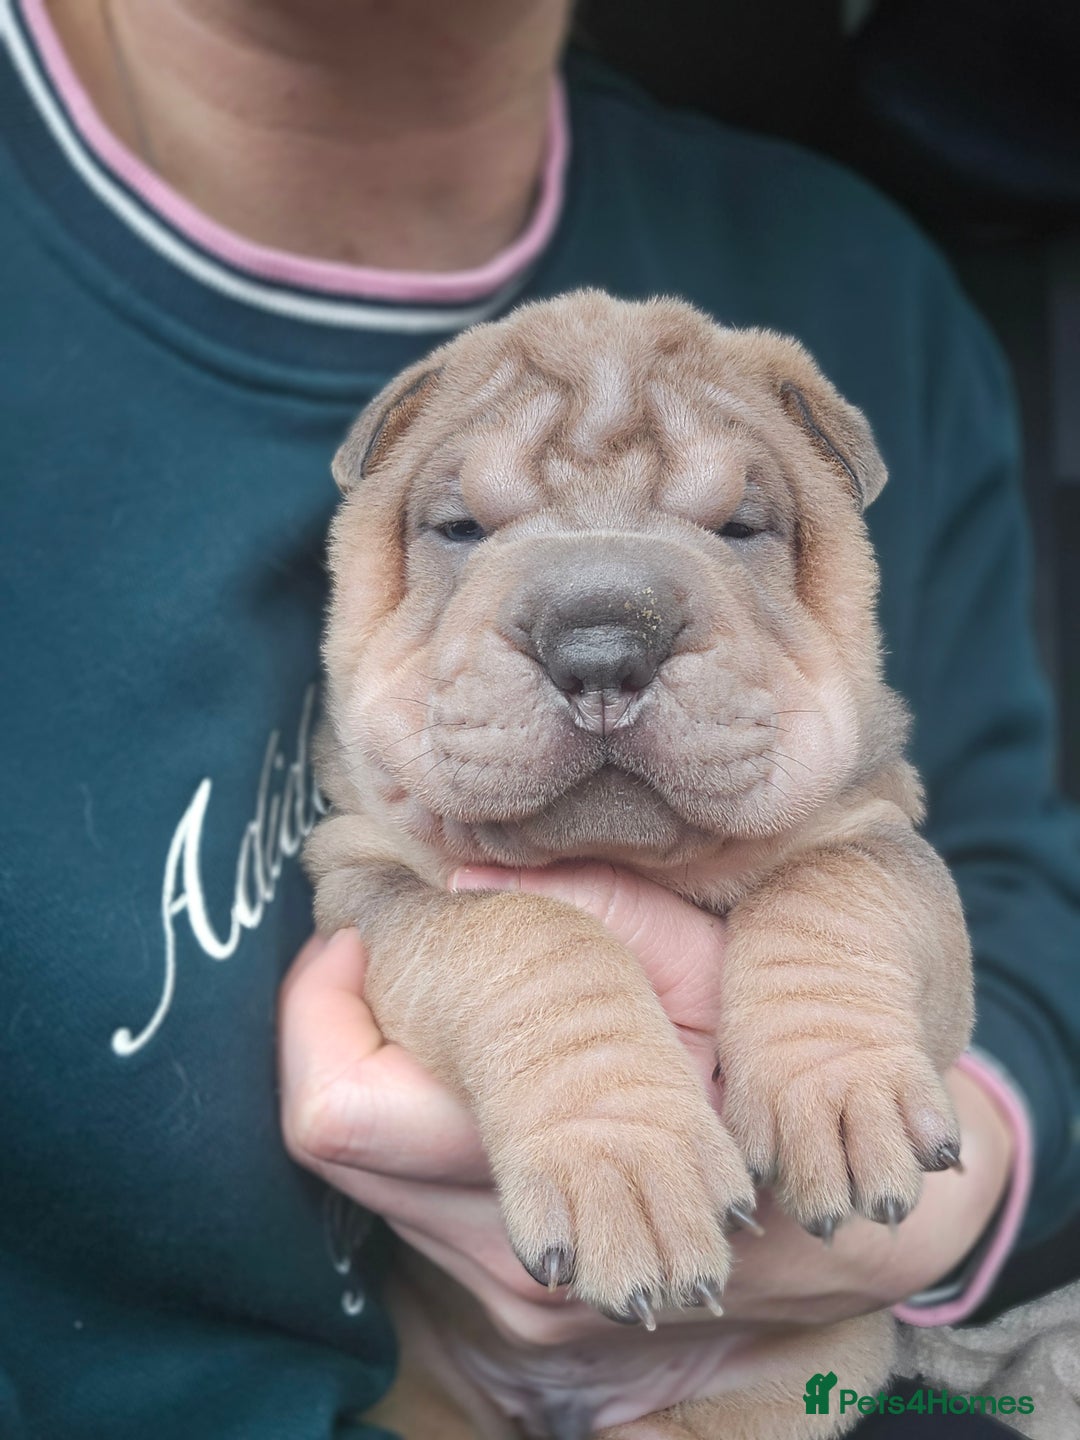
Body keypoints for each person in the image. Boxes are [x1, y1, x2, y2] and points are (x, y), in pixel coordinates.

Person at [1, 1, 1078, 1436]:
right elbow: (411, 919)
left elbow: (1000, 884)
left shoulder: (866, 287)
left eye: (741, 527)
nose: (600, 645)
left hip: (783, 1381)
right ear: (369, 511)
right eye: (460, 523)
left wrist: (922, 1157)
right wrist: (564, 1056)